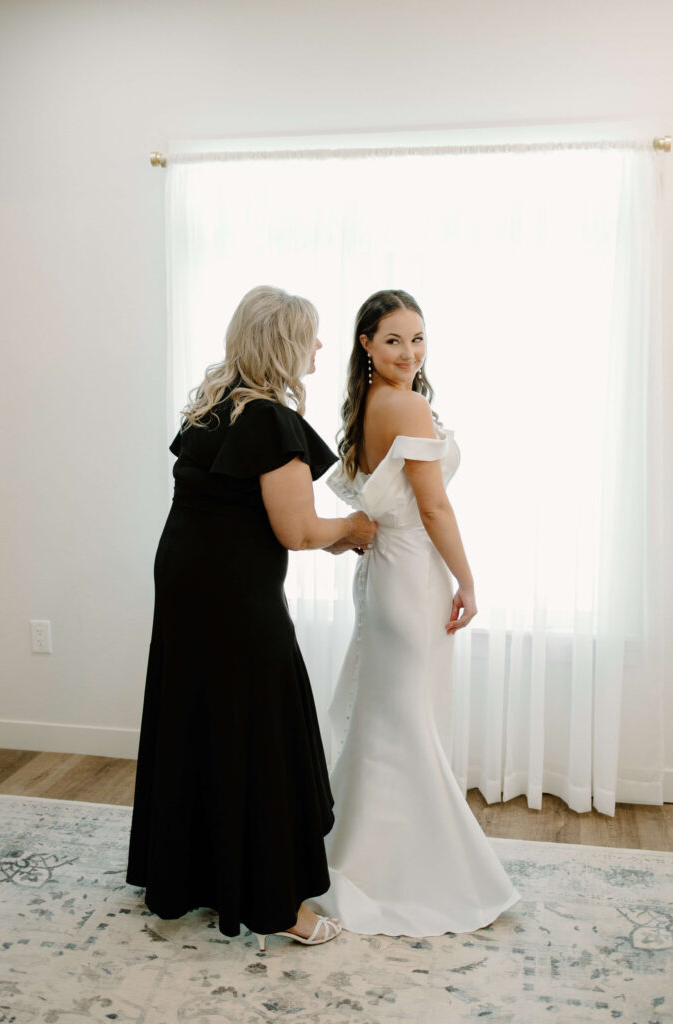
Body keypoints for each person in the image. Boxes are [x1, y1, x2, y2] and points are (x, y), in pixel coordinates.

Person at [126, 285, 377, 951]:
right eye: (312, 336)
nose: (321, 346)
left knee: (200, 715)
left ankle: (187, 875)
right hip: (232, 593)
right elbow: (295, 529)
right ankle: (277, 905)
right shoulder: (268, 420)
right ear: (287, 345)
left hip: (184, 581)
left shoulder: (213, 407)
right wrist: (352, 525)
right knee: (262, 726)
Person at [308, 289, 520, 936]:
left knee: (389, 719)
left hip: (386, 575)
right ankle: (415, 872)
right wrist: (467, 580)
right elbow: (432, 509)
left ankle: (357, 854)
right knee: (404, 724)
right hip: (412, 576)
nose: (409, 352)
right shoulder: (407, 405)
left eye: (418, 338)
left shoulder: (368, 404)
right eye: (393, 339)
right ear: (366, 344)